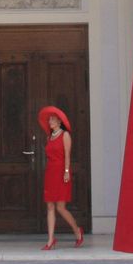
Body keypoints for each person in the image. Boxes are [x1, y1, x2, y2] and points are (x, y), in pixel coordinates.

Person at [38, 105, 84, 250]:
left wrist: (66, 171)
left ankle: (77, 231)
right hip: (50, 172)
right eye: (49, 120)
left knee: (61, 207)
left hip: (61, 171)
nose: (50, 122)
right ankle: (51, 240)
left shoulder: (65, 135)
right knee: (50, 206)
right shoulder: (49, 137)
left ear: (59, 121)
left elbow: (67, 156)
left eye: (52, 119)